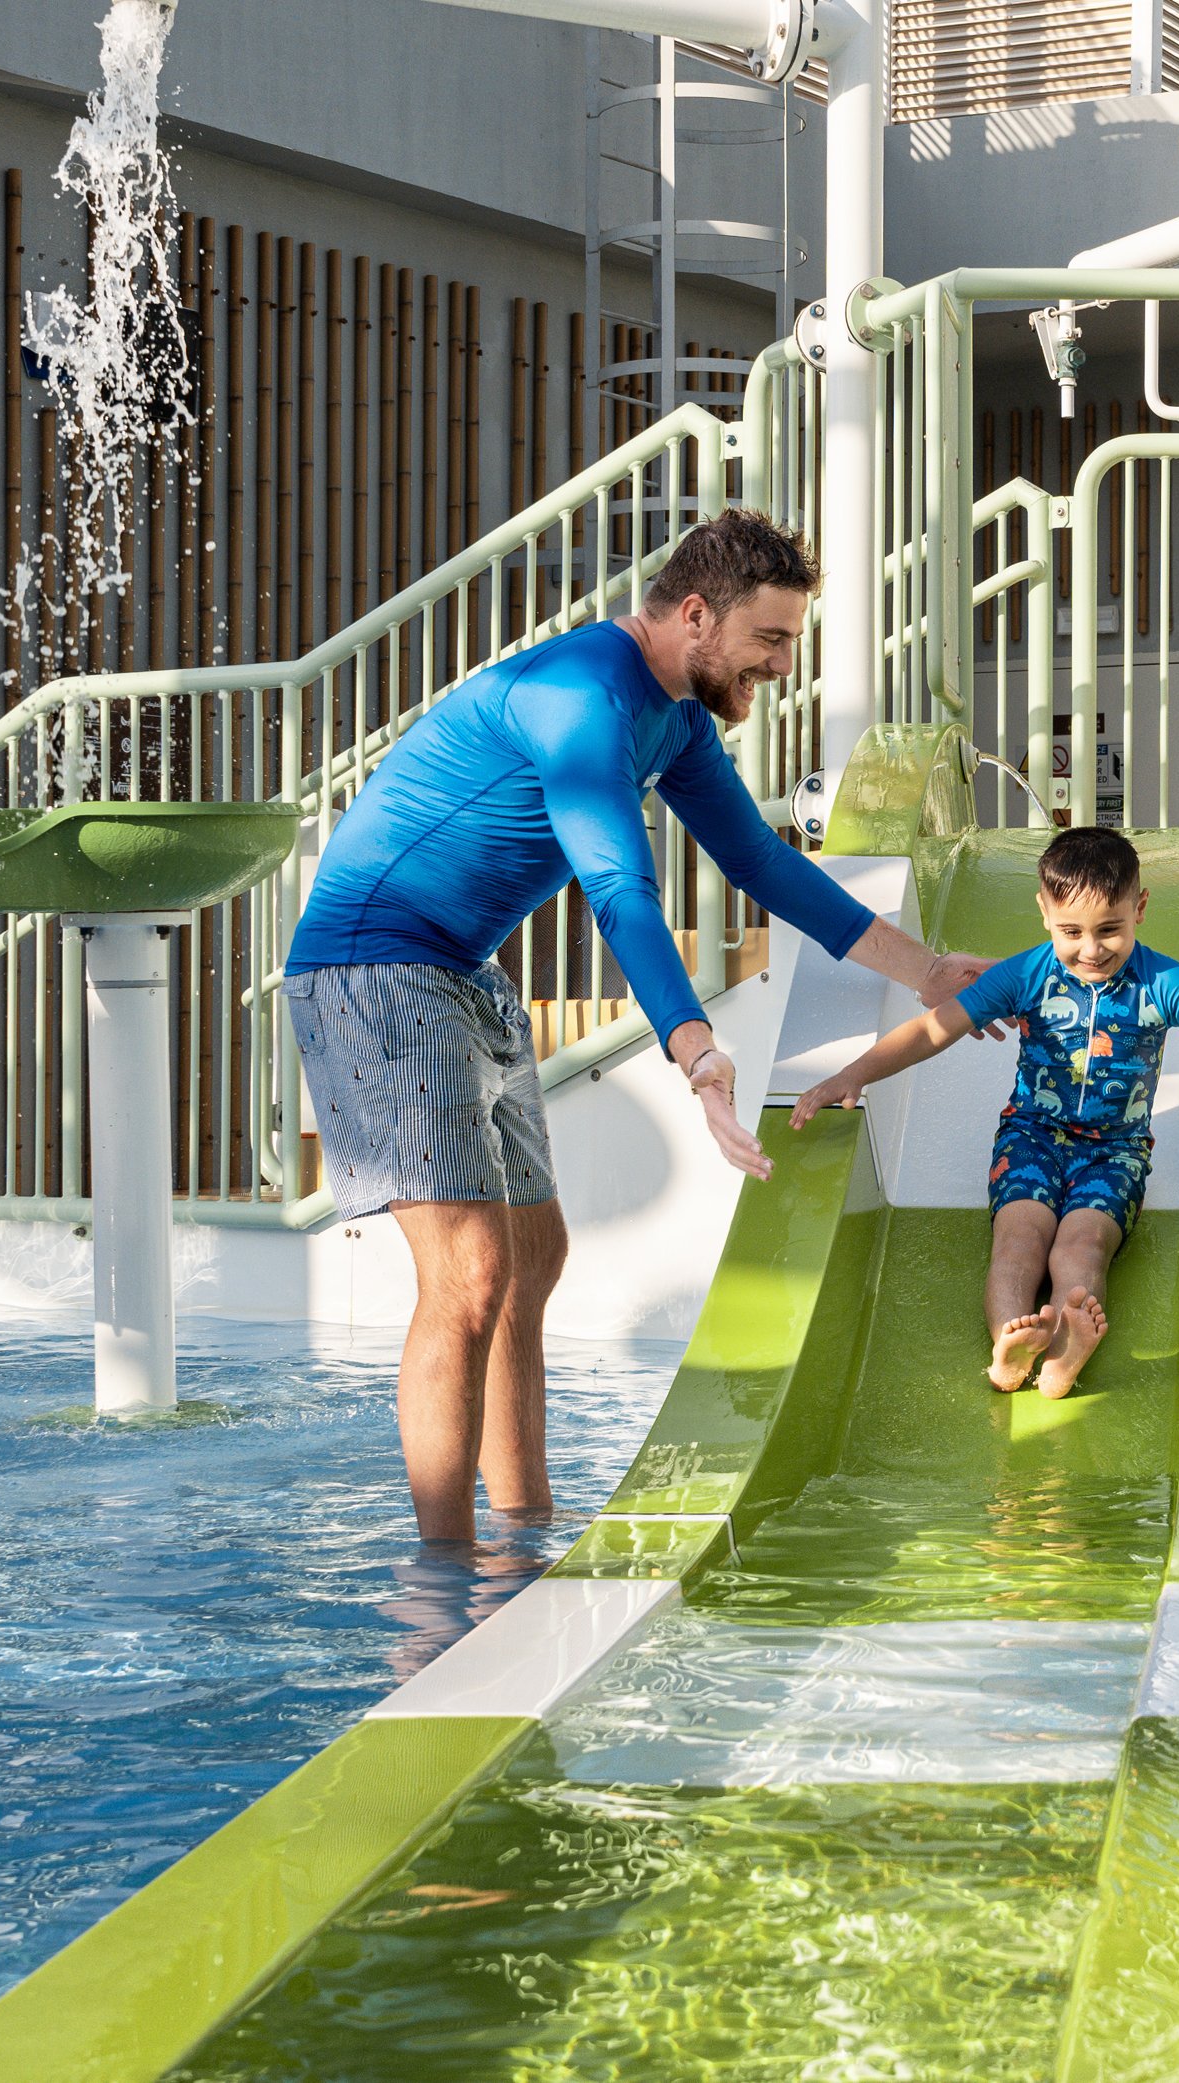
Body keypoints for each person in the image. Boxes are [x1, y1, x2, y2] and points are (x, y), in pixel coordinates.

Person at [284, 511, 987, 1543]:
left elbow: (762, 861)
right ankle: (441, 1581)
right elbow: (618, 885)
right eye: (772, 640)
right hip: (371, 966)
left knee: (534, 1256)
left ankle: (521, 1532)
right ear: (696, 616)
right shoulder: (582, 696)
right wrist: (694, 1046)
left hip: (461, 970)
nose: (784, 666)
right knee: (470, 1272)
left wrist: (925, 971)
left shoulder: (678, 717)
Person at [790, 825, 1179, 1397]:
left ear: (1141, 907)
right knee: (1018, 1241)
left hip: (1115, 1151)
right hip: (1030, 1135)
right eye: (1071, 931)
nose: (1091, 949)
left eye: (1111, 929)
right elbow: (933, 1031)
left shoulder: (1165, 983)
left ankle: (1063, 1352)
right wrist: (851, 1074)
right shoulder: (1027, 974)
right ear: (1044, 913)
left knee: (1081, 1246)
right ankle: (1008, 1346)